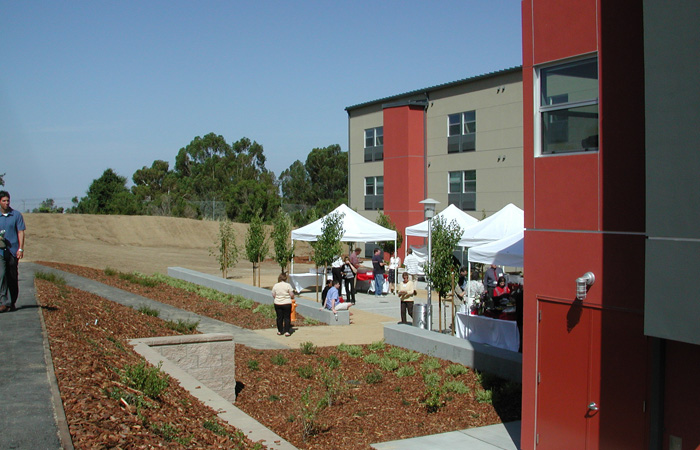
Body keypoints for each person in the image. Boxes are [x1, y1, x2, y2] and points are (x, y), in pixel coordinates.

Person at [0, 191, 26, 313]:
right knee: (1, 275)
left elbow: (21, 232)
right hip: (0, 251)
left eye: (8, 200)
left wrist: (20, 248)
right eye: (4, 201)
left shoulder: (16, 215)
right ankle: (4, 302)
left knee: (12, 276)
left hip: (12, 251)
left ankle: (12, 301)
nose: (6, 203)